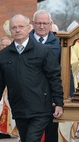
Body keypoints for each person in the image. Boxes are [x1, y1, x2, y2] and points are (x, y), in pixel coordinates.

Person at [0, 14, 64, 142]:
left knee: (31, 139)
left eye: (21, 27)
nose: (18, 30)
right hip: (19, 108)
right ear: (10, 31)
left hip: (41, 108)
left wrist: (59, 103)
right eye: (14, 27)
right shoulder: (3, 55)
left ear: (29, 28)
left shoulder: (43, 51)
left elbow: (54, 77)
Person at [29, 10, 61, 142]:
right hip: (29, 95)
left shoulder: (59, 44)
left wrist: (61, 99)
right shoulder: (24, 43)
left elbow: (63, 71)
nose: (42, 26)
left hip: (50, 97)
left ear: (51, 24)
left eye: (45, 23)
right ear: (32, 24)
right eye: (38, 23)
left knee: (51, 134)